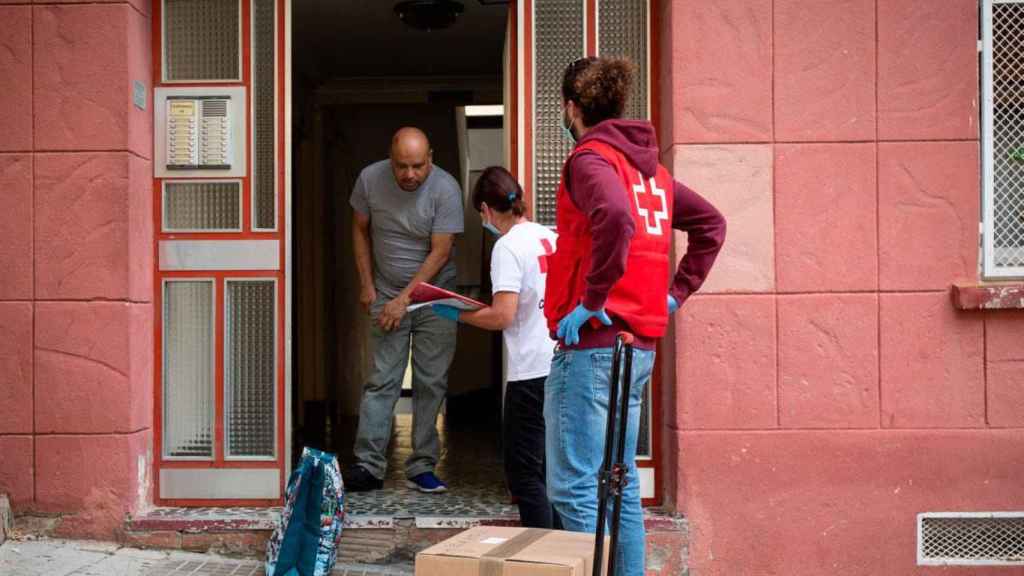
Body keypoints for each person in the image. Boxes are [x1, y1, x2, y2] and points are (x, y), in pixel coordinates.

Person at [544, 57, 726, 575]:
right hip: (636, 348)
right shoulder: (652, 172)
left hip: (593, 349)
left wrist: (592, 301)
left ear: (572, 108)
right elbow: (711, 224)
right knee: (618, 485)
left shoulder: (589, 161)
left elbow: (616, 217)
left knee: (575, 487)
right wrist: (674, 294)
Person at [432, 166, 560, 529]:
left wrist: (457, 314)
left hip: (531, 374)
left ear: (486, 211)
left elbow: (502, 316)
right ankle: (571, 557)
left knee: (524, 474)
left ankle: (545, 560)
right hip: (562, 364)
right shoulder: (548, 236)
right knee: (555, 472)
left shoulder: (507, 247)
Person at [347, 127, 464, 494]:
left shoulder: (445, 189)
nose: (410, 175)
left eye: (417, 166)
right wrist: (367, 284)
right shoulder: (369, 179)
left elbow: (441, 251)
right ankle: (368, 465)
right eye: (402, 167)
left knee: (432, 381)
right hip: (386, 290)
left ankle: (422, 465)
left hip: (437, 296)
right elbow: (359, 229)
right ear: (390, 159)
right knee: (382, 379)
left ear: (430, 158)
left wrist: (404, 301)